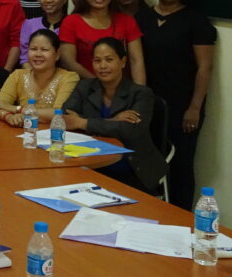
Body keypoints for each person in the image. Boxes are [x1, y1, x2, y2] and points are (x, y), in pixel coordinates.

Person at [135, 0, 216, 210]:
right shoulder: (141, 18)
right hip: (149, 105)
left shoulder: (195, 21)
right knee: (147, 163)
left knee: (180, 165)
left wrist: (194, 108)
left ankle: (181, 217)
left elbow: (205, 68)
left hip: (183, 106)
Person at [62, 38, 166, 192]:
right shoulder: (85, 87)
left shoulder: (141, 93)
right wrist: (112, 120)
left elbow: (130, 131)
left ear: (123, 62)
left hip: (131, 167)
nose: (103, 66)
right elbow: (66, 119)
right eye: (97, 60)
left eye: (109, 60)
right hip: (90, 163)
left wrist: (83, 123)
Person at [59, 0, 146, 84]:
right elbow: (68, 62)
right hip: (83, 91)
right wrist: (100, 85)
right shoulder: (71, 22)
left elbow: (137, 62)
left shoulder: (127, 21)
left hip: (121, 94)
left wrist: (139, 95)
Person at [0, 29, 79, 124]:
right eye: (33, 49)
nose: (38, 54)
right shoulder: (18, 75)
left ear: (57, 54)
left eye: (44, 50)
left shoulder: (69, 77)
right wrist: (8, 116)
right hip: (23, 133)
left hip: (54, 134)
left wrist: (16, 109)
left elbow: (60, 114)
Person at [18, 0, 69, 65]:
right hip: (32, 75)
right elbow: (25, 59)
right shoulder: (29, 24)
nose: (48, 0)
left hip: (65, 76)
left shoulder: (72, 25)